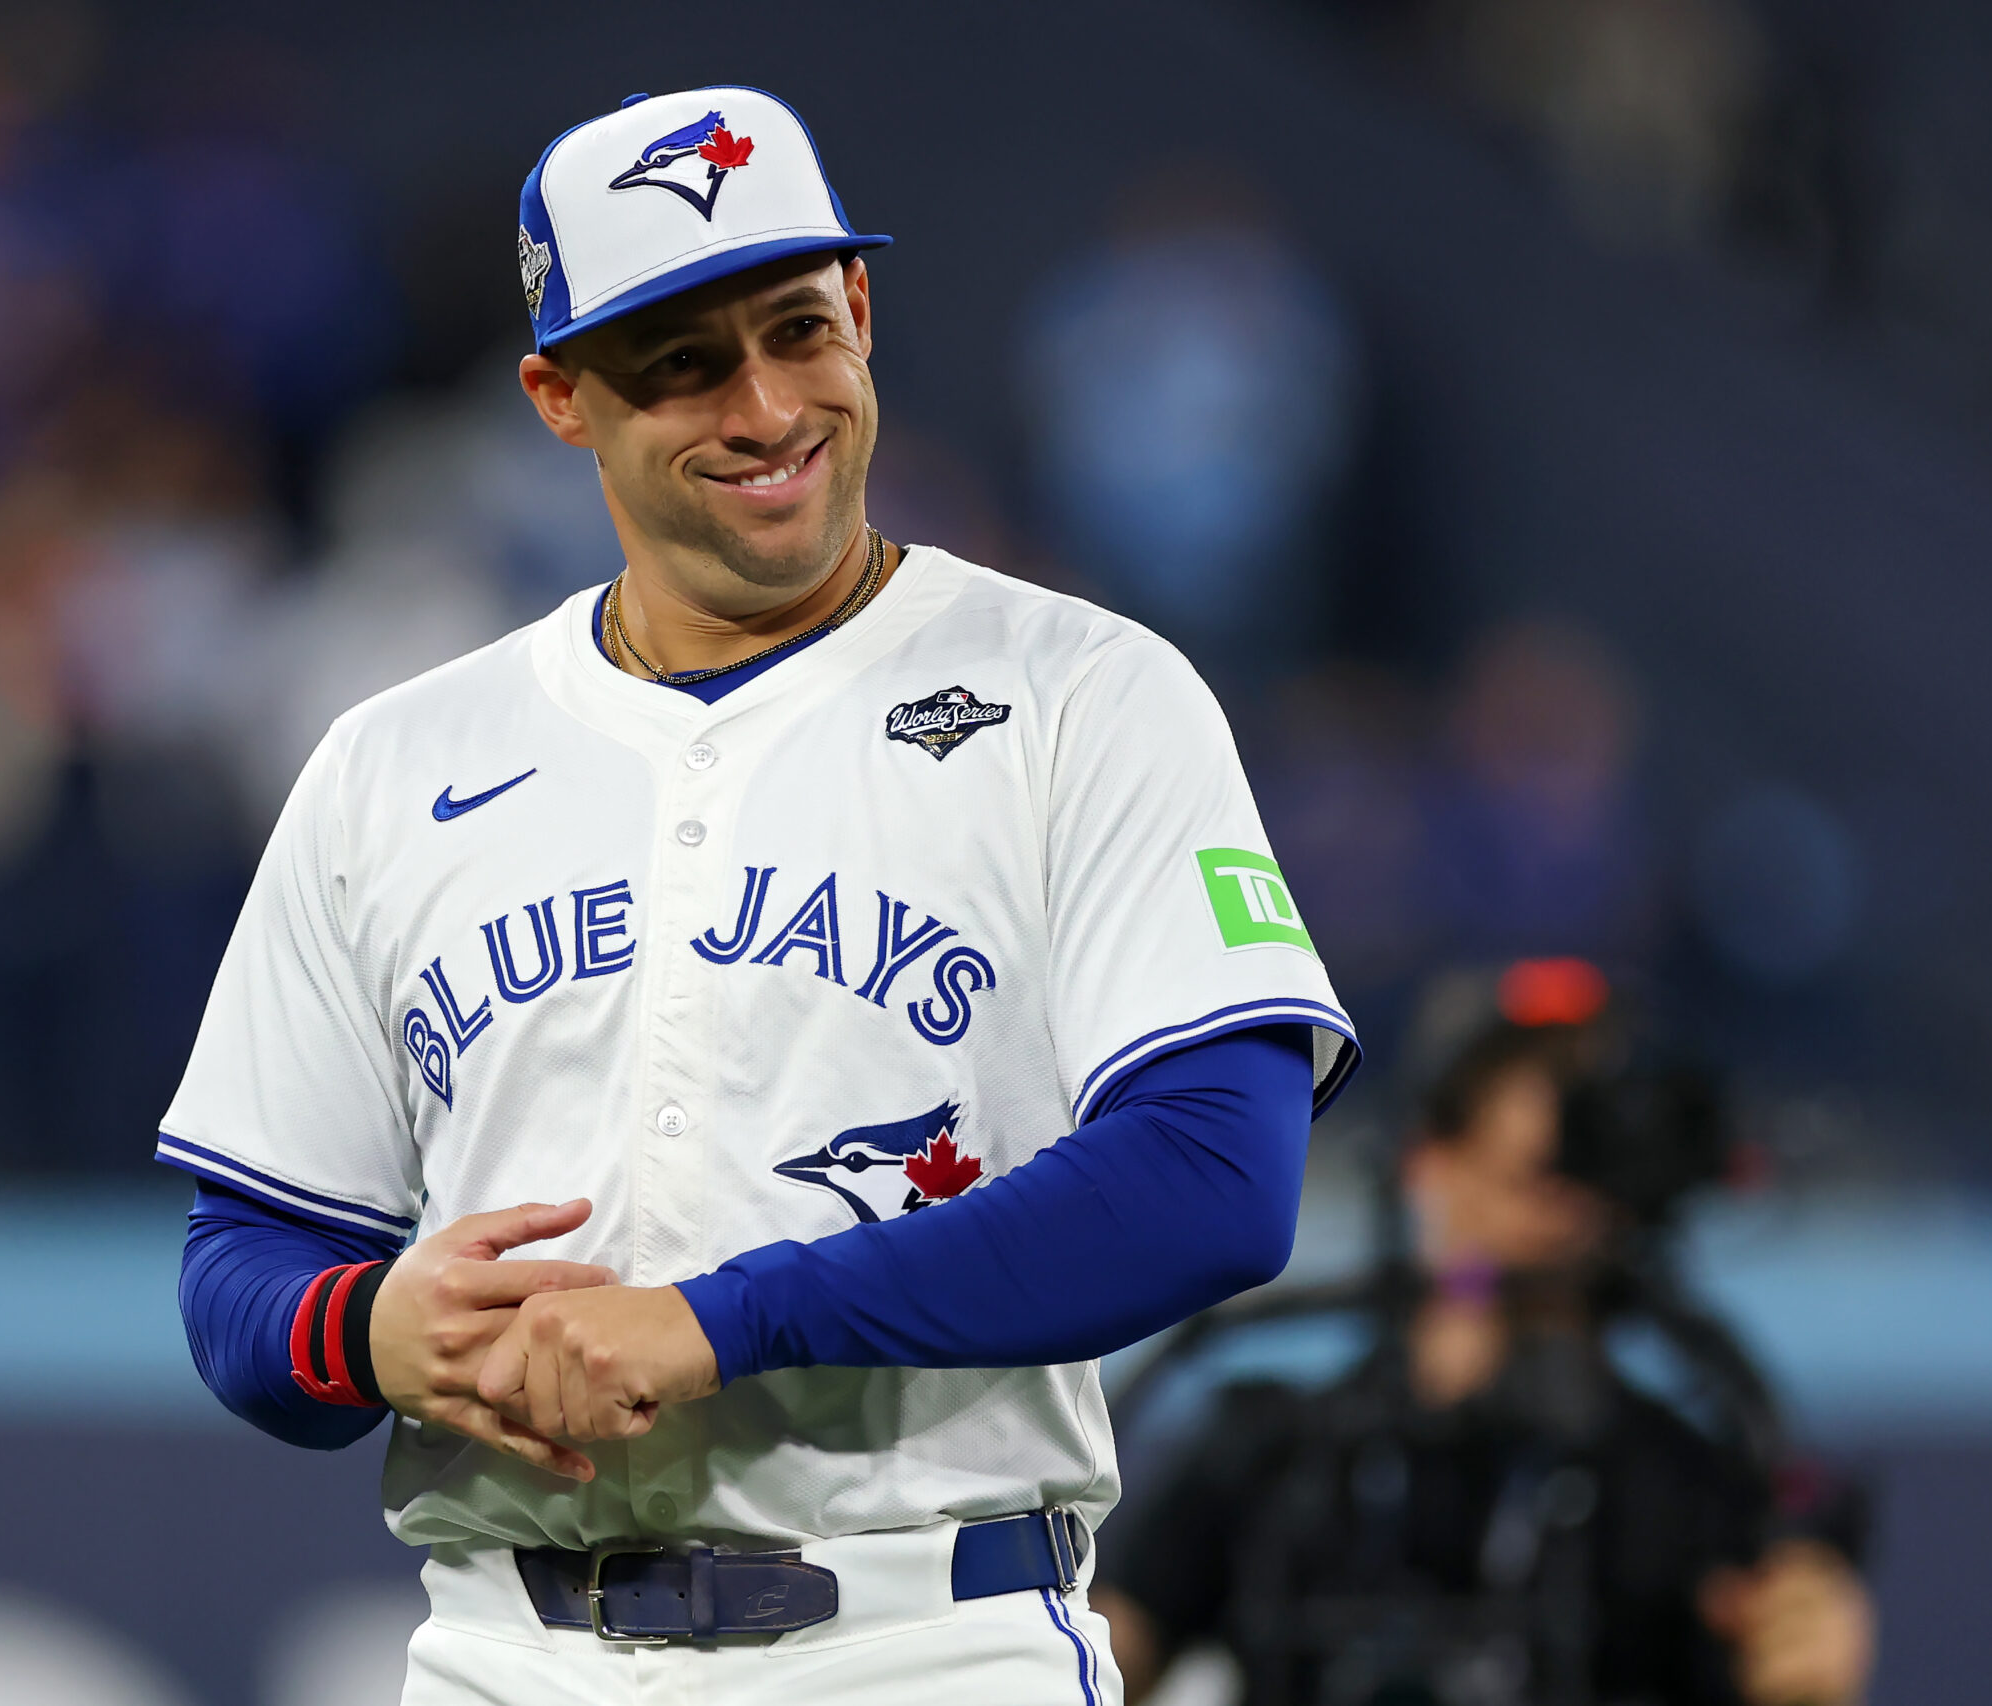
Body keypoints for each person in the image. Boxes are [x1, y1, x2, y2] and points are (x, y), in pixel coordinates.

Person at [162, 86, 1358, 1705]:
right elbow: (247, 1259)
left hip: (926, 1639)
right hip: (507, 1656)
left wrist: (726, 1322)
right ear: (558, 397)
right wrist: (370, 1330)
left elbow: (1218, 1174)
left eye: (798, 328)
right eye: (679, 362)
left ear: (861, 310)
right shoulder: (396, 762)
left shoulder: (1083, 694)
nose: (765, 402)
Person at [1091, 1005, 1877, 1706]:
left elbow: (1779, 1658)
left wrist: (1809, 1669)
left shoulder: (1679, 1488)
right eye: (1542, 1171)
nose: (1566, 1205)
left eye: (1591, 1169)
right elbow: (1109, 1656)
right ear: (1428, 1158)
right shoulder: (1274, 1450)